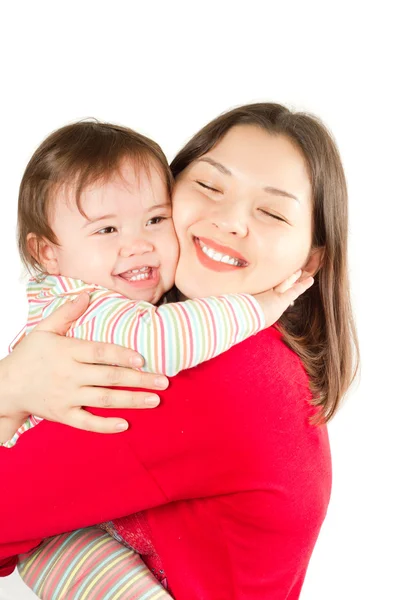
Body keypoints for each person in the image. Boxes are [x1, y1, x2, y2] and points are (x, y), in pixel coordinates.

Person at [0, 103, 359, 599]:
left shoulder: (211, 377)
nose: (230, 222)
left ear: (311, 259)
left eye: (273, 212)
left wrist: (8, 388)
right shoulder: (255, 357)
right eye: (210, 186)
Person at [2, 120, 305, 450]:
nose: (138, 244)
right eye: (106, 230)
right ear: (47, 253)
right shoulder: (84, 307)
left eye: (155, 220)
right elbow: (162, 339)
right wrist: (260, 308)